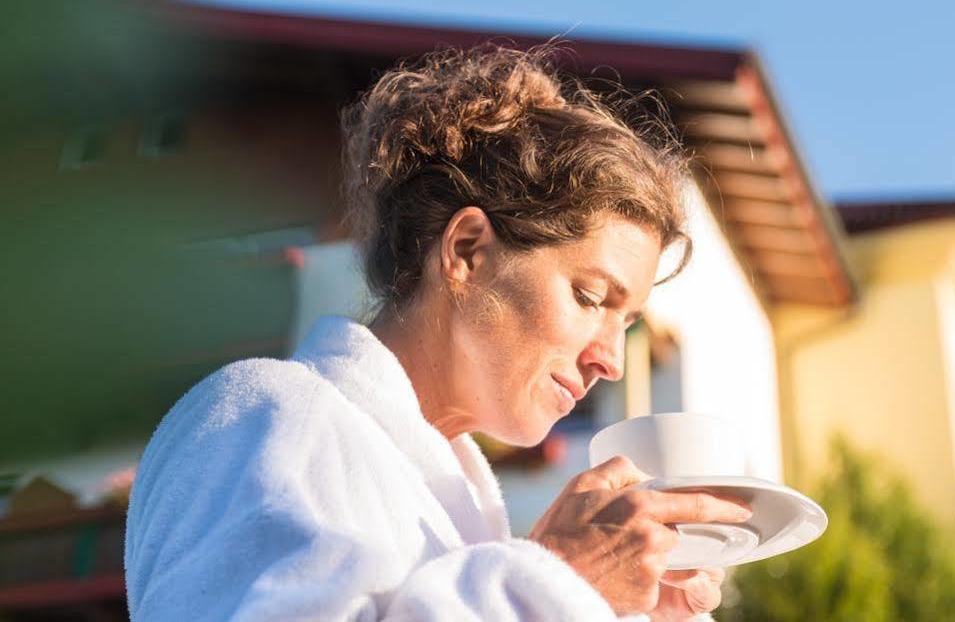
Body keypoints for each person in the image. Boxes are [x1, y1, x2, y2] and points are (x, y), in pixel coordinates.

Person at [124, 44, 752, 621]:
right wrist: (556, 584)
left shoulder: (459, 520)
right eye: (590, 296)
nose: (611, 360)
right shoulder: (269, 414)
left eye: (628, 323)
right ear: (468, 252)